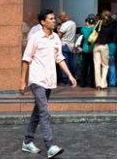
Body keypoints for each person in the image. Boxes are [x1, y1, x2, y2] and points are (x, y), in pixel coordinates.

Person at [20, 9, 76, 158]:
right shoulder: (35, 38)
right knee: (44, 112)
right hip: (37, 80)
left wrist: (70, 75)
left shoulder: (56, 38)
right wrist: (22, 81)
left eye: (53, 18)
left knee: (37, 112)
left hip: (49, 81)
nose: (54, 20)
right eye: (50, 19)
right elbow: (26, 59)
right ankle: (50, 146)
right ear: (42, 22)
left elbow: (59, 58)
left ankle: (27, 141)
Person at [93, 11, 116, 90]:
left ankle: (98, 84)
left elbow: (94, 33)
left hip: (96, 46)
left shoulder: (99, 23)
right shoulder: (112, 26)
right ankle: (103, 84)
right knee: (105, 66)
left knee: (97, 65)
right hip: (104, 46)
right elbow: (113, 38)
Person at [57, 11, 77, 85]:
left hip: (64, 45)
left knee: (64, 63)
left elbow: (59, 35)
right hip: (71, 45)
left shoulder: (64, 25)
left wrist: (58, 28)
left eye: (59, 17)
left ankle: (66, 79)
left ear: (62, 17)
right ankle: (73, 77)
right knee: (71, 63)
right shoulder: (73, 23)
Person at [79, 15, 96, 87]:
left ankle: (82, 83)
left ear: (87, 22)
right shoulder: (95, 29)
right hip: (92, 49)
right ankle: (92, 83)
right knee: (92, 67)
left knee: (84, 67)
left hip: (85, 49)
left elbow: (80, 38)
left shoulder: (83, 29)